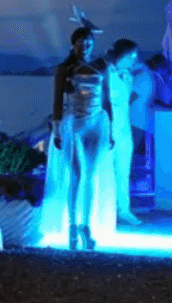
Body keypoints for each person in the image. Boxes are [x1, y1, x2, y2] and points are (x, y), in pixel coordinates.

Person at [43, 26, 116, 251]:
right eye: (81, 42)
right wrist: (57, 130)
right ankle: (72, 227)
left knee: (92, 176)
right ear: (73, 44)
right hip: (74, 123)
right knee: (76, 175)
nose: (85, 46)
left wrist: (112, 130)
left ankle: (87, 226)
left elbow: (107, 99)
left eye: (89, 42)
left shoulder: (101, 66)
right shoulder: (65, 68)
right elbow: (57, 101)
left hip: (97, 123)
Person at [105, 39, 144, 226]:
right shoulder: (106, 73)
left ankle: (124, 210)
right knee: (107, 170)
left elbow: (127, 101)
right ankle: (106, 210)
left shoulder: (128, 76)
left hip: (124, 127)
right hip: (108, 126)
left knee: (123, 170)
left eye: (135, 57)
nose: (133, 60)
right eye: (130, 56)